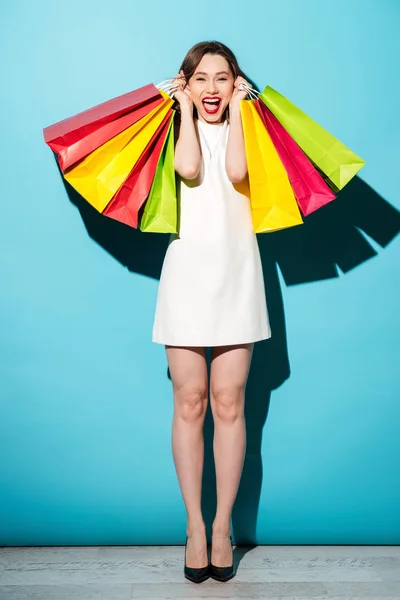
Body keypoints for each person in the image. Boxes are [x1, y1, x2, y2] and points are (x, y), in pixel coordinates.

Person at [152, 41, 271, 583]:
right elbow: (190, 168)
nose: (212, 89)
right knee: (190, 400)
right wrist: (181, 113)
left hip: (236, 274)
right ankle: (194, 527)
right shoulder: (178, 129)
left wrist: (244, 110)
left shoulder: (249, 125)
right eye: (200, 79)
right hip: (186, 277)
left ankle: (223, 526)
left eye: (223, 79)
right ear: (186, 84)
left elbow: (238, 170)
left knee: (229, 402)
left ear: (237, 84)